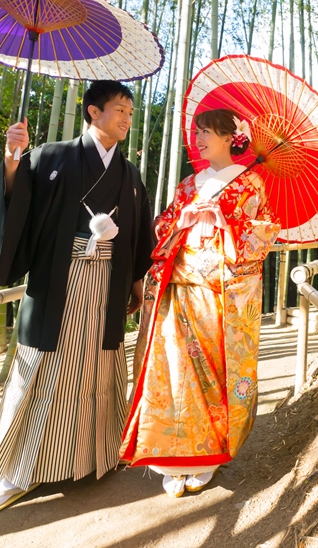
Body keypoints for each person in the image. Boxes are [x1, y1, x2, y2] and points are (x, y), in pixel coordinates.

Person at [0, 80, 155, 516]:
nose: (127, 119)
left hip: (108, 284)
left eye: (130, 112)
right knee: (41, 369)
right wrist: (13, 159)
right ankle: (17, 472)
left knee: (97, 367)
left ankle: (95, 456)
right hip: (59, 280)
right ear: (93, 112)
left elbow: (137, 235)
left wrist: (134, 284)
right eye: (119, 110)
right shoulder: (51, 156)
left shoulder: (129, 175)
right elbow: (15, 204)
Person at [120, 108, 280, 498]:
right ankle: (169, 455)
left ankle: (206, 457)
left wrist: (226, 222)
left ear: (231, 137)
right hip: (179, 284)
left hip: (220, 292)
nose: (200, 138)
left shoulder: (252, 182)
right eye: (197, 132)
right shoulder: (189, 184)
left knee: (213, 371)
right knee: (172, 369)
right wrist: (183, 218)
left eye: (207, 132)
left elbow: (263, 235)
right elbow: (161, 227)